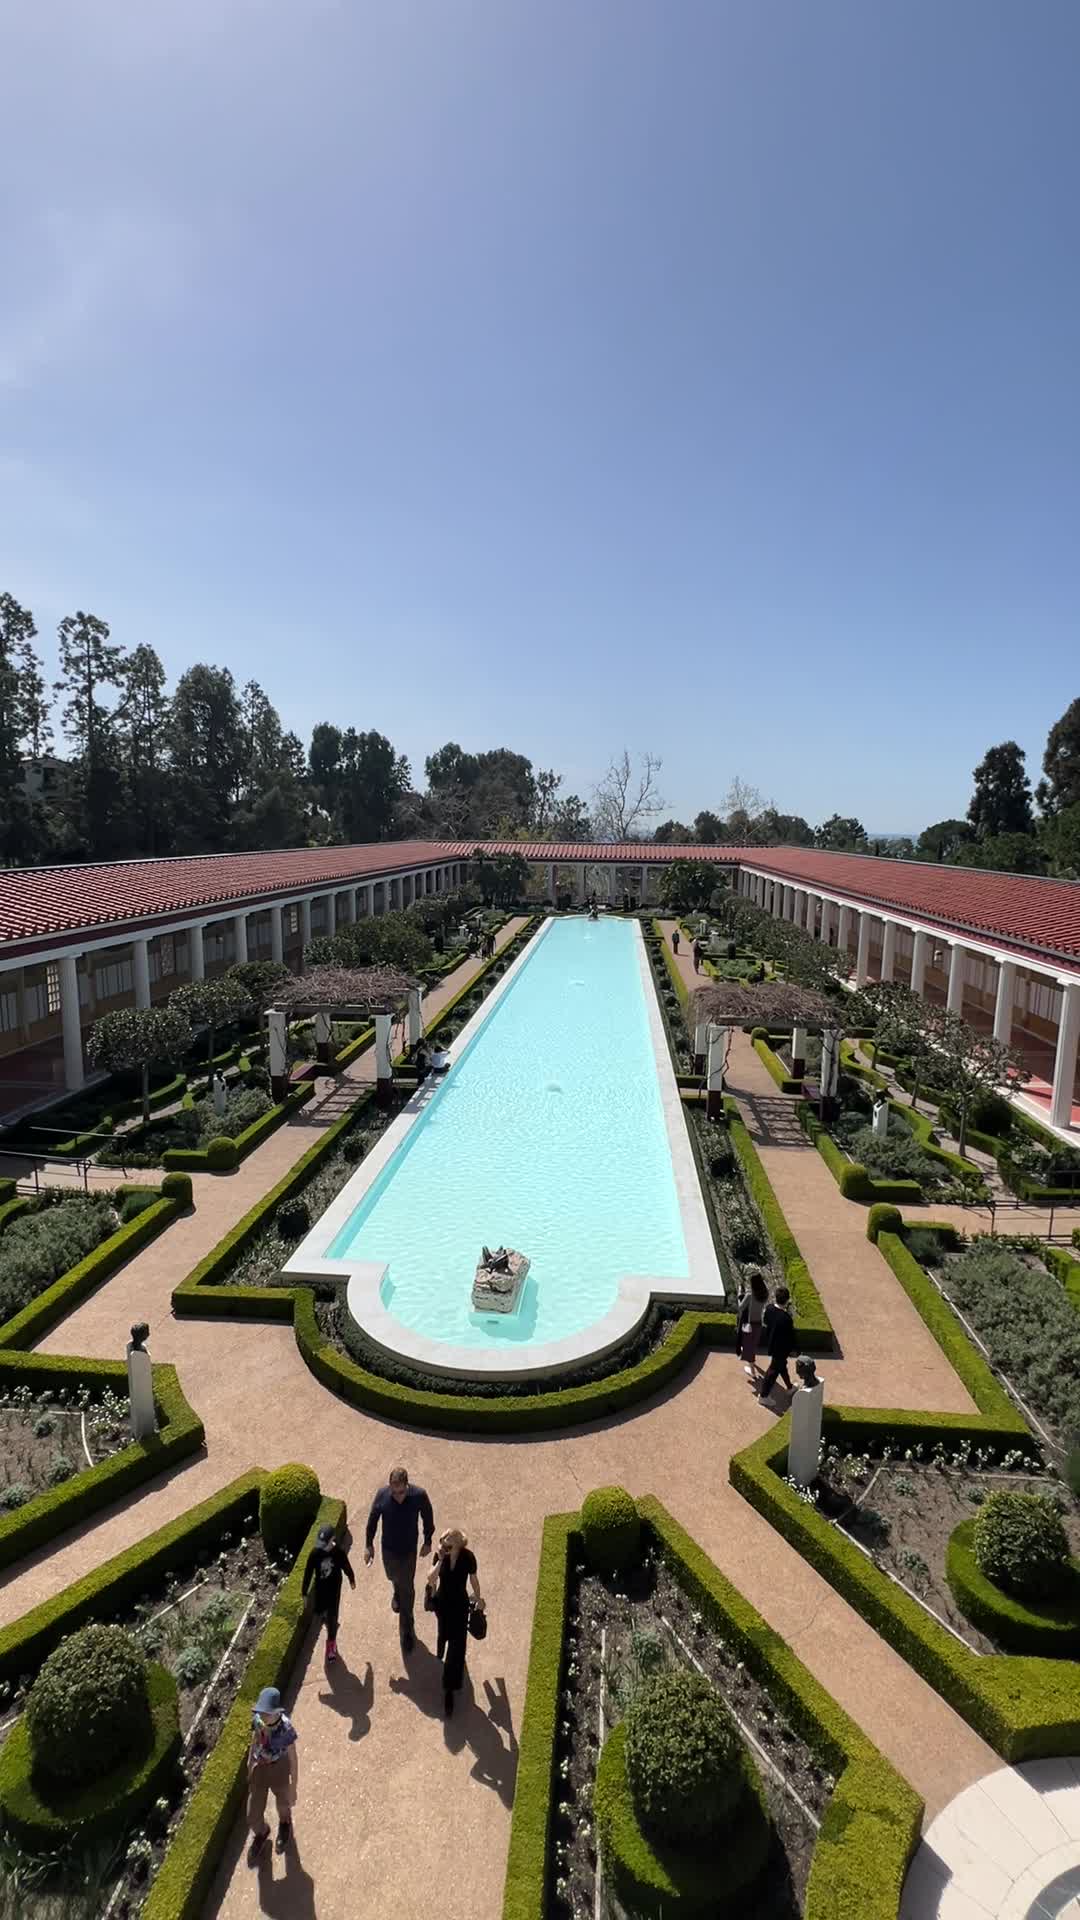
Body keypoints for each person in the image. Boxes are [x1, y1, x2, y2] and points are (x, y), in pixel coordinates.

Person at [364, 1466, 434, 1655]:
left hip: (409, 1551)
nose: (398, 1496)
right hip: (388, 1549)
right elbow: (372, 1520)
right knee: (393, 1577)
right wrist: (368, 1545)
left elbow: (428, 1516)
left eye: (401, 1492)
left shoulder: (419, 1495)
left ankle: (407, 1631)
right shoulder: (382, 1495)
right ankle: (396, 1591)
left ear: (407, 1485)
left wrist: (428, 1541)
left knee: (408, 1590)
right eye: (394, 1492)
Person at [426, 1527, 484, 1717]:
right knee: (444, 1634)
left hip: (460, 1606)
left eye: (448, 1546)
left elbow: (474, 1580)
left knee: (456, 1649)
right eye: (442, 1544)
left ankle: (449, 1689)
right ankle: (442, 1648)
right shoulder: (440, 1556)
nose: (444, 1548)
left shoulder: (468, 1558)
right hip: (443, 1605)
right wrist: (440, 1559)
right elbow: (431, 1579)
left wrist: (479, 1597)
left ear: (459, 1545)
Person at [247, 1686, 298, 1860]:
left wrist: (293, 1787)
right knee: (252, 1814)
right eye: (260, 1712)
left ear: (276, 1712)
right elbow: (255, 1740)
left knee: (283, 1805)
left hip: (279, 1767)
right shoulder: (258, 1720)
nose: (261, 1715)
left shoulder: (286, 1729)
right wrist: (250, 1762)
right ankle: (262, 1832)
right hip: (260, 1767)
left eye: (265, 1712)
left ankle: (285, 1824)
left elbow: (293, 1758)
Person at [302, 1522, 356, 1664]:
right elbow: (308, 1573)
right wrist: (304, 1593)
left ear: (332, 1541)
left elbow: (346, 1565)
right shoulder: (315, 1554)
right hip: (320, 1591)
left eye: (324, 1543)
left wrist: (351, 1578)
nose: (321, 1546)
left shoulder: (338, 1553)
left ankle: (331, 1644)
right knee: (320, 1613)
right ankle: (328, 1621)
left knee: (332, 1618)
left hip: (334, 1592)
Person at [755, 1286, 796, 1401]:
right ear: (787, 1300)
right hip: (781, 1349)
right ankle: (763, 1396)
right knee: (772, 1372)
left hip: (771, 1344)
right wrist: (794, 1350)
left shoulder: (769, 1309)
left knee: (781, 1367)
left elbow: (766, 1322)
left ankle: (789, 1387)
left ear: (776, 1298)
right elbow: (790, 1337)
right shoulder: (786, 1318)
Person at [737, 1270, 770, 1378]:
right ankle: (752, 1365)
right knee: (752, 1345)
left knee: (748, 1348)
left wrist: (739, 1296)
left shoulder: (749, 1295)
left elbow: (741, 1308)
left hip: (749, 1324)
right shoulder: (765, 1293)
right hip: (758, 1324)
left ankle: (752, 1372)